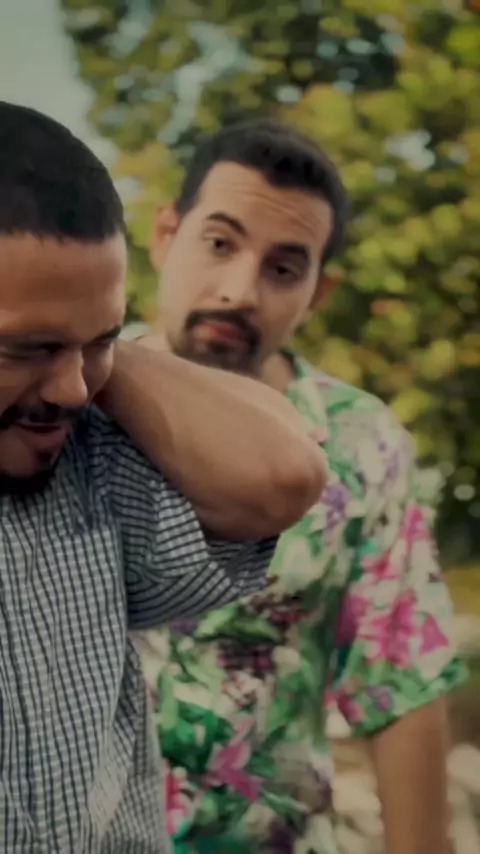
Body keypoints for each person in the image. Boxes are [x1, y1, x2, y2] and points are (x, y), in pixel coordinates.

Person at [0, 103, 327, 853]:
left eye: (102, 339)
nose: (74, 388)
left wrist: (96, 346)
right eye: (27, 347)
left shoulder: (82, 462)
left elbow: (283, 475)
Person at [137, 119, 466, 854]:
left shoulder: (360, 441)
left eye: (284, 268)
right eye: (219, 243)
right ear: (166, 234)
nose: (239, 291)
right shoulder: (69, 398)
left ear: (318, 293)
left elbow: (400, 684)